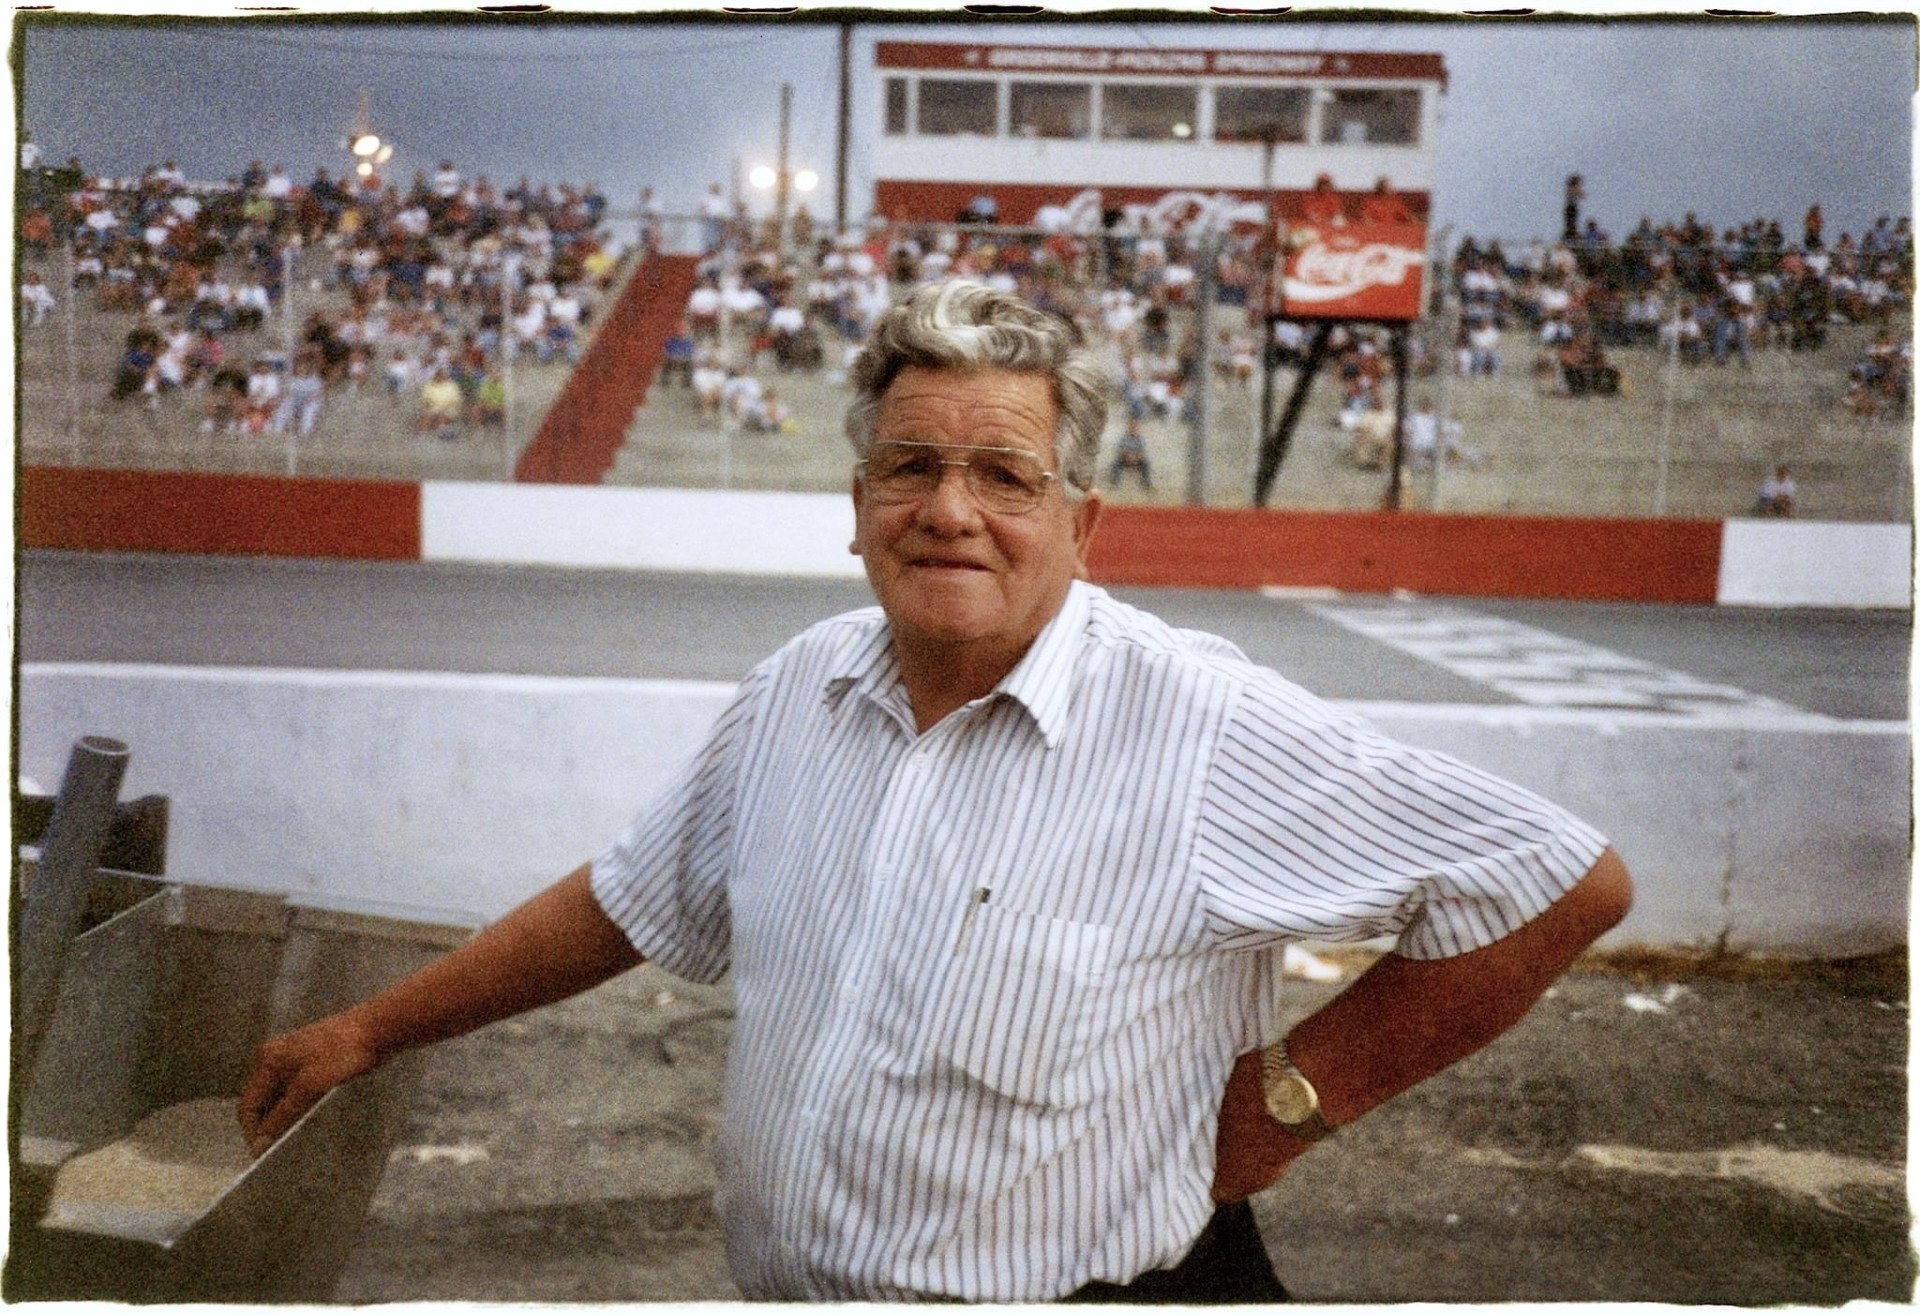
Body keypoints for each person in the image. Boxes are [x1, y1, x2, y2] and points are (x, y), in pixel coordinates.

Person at [240, 280, 1632, 1304]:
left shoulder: (1194, 717)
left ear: (1083, 524)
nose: (949, 509)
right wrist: (370, 1029)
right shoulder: (798, 689)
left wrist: (1288, 1103)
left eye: (1003, 476)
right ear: (857, 506)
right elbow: (626, 901)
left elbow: (1555, 881)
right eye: (911, 467)